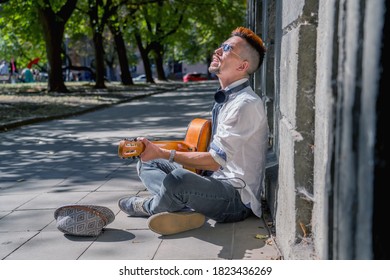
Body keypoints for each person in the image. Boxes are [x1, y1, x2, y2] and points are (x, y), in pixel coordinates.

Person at [118, 26, 268, 236]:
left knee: (178, 179)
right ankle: (182, 206)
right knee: (147, 161)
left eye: (226, 48)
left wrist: (165, 153)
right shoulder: (228, 98)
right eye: (221, 45)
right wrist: (152, 150)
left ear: (243, 66)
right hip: (214, 182)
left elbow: (215, 161)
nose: (217, 50)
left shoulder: (245, 104)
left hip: (236, 198)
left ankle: (150, 206)